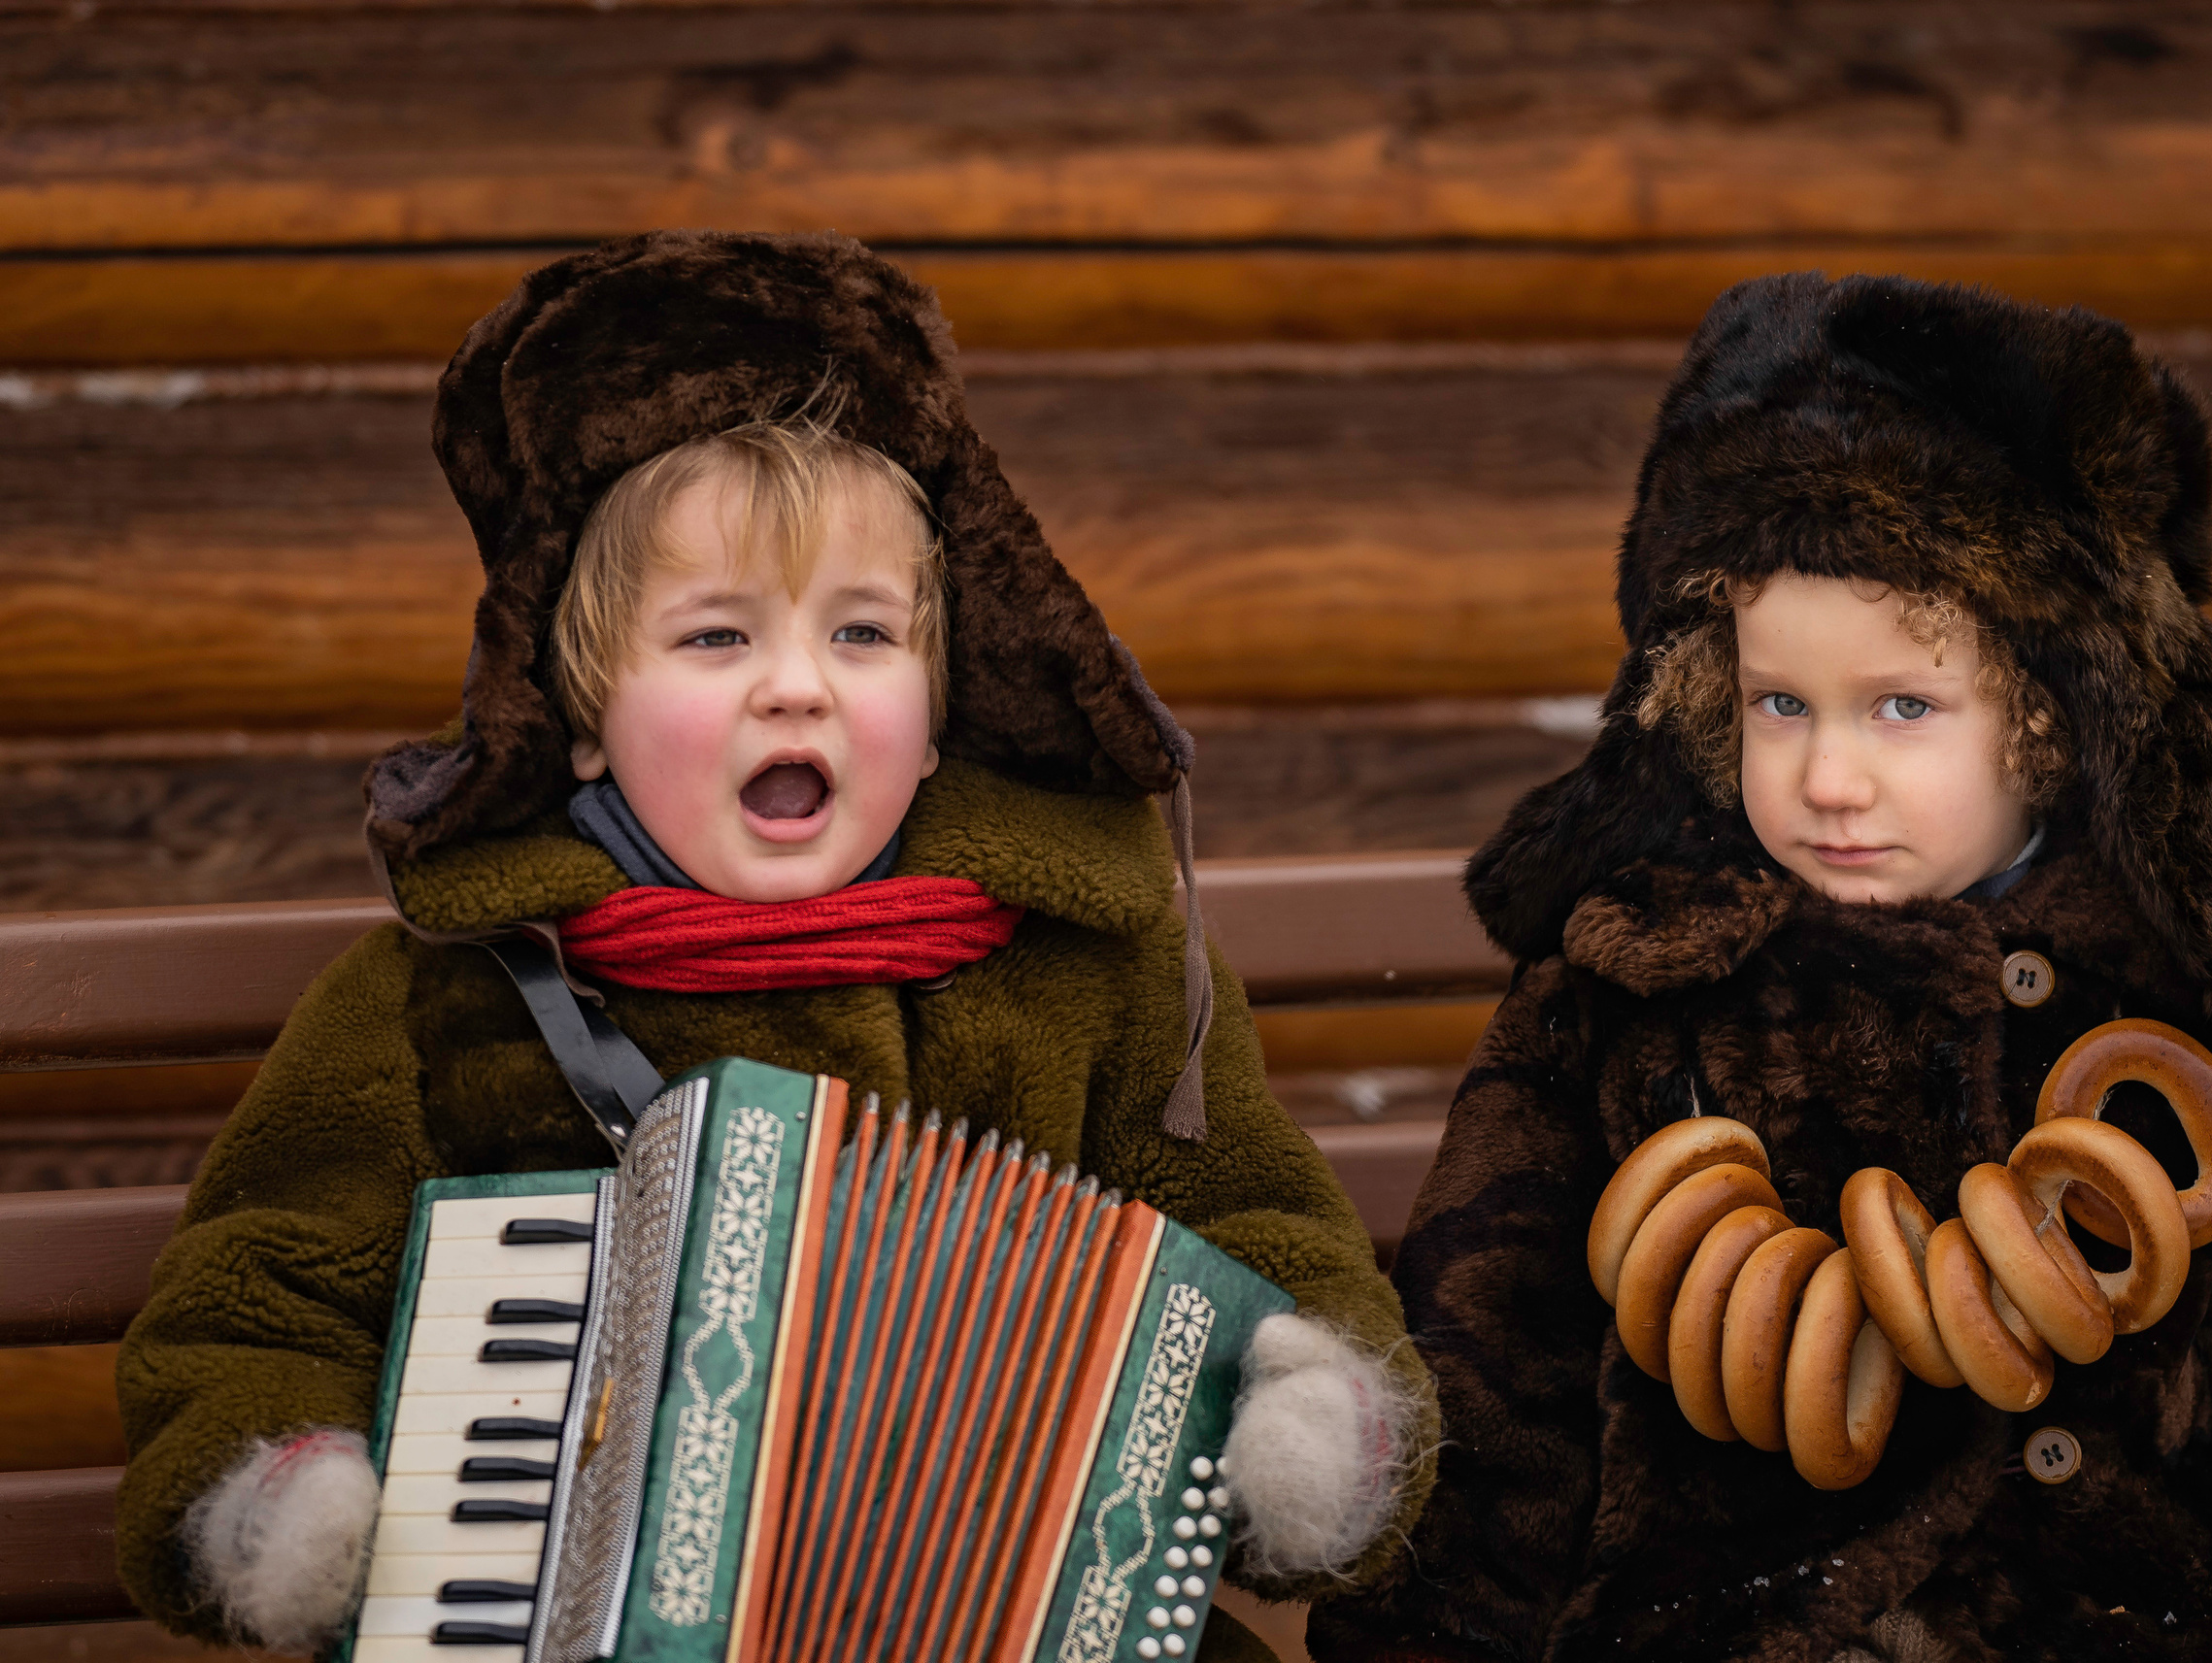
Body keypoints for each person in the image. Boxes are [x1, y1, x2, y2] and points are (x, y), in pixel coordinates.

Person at [113, 231, 1434, 1660]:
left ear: (936, 721)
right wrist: (278, 1485)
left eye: (862, 634)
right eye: (715, 639)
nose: (795, 687)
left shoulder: (1091, 967)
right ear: (579, 719)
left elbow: (1259, 1221)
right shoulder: (450, 997)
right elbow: (261, 1293)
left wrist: (1309, 1417)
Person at [1310, 274, 2212, 1663]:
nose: (1827, 775)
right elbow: (1495, 1387)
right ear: (1710, 692)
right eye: (1779, 704)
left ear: (2046, 721)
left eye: (1903, 707)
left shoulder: (2201, 1007)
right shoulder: (1627, 995)